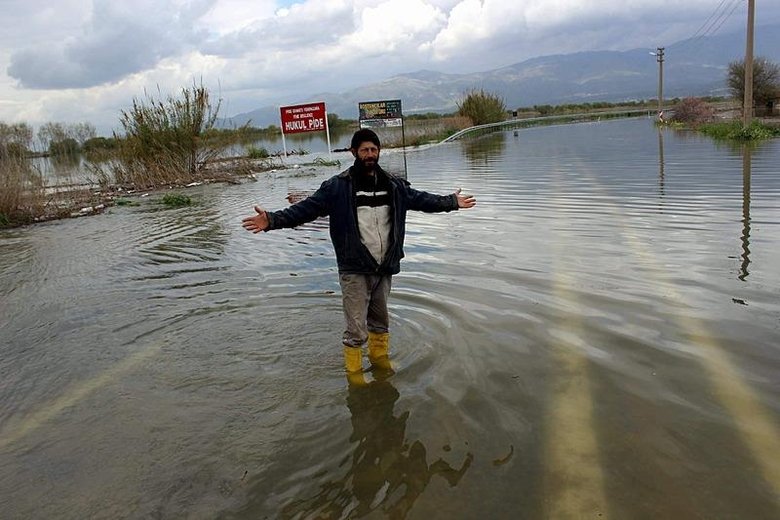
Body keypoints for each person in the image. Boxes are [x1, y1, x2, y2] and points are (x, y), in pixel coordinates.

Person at [241, 129, 476, 383]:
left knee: (380, 323)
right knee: (356, 330)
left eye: (374, 150)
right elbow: (305, 210)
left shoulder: (394, 185)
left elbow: (423, 200)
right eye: (364, 150)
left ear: (379, 152)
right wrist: (272, 220)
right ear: (354, 152)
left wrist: (451, 202)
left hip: (383, 266)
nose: (370, 154)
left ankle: (380, 362)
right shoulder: (337, 187)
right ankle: (354, 378)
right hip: (354, 268)